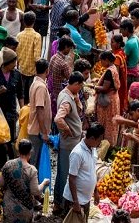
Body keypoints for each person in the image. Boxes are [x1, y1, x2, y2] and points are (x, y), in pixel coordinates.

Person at [54, 71, 84, 215]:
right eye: (80, 86)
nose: (80, 89)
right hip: (68, 143)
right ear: (76, 84)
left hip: (70, 142)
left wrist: (76, 98)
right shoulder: (66, 99)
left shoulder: (68, 94)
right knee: (65, 173)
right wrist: (67, 130)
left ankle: (59, 203)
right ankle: (60, 204)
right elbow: (58, 119)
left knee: (63, 172)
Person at [0, 140, 49, 223]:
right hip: (25, 209)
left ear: (18, 150)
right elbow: (35, 191)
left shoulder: (8, 164)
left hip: (8, 206)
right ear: (30, 152)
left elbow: (0, 183)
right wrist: (44, 183)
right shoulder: (31, 170)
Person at [0, 48, 23, 168]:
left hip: (11, 113)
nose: (15, 64)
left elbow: (20, 94)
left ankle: (12, 164)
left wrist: (22, 110)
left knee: (10, 139)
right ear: (7, 63)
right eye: (14, 62)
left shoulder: (17, 74)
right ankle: (1, 164)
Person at [63, 122, 104, 218]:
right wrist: (76, 202)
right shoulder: (77, 153)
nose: (100, 143)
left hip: (86, 199)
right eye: (99, 140)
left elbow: (92, 172)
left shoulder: (93, 149)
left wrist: (96, 192)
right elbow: (71, 178)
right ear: (92, 138)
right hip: (74, 200)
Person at [27, 59, 51, 166]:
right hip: (37, 131)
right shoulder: (40, 87)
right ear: (47, 70)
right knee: (35, 162)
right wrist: (44, 133)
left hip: (36, 130)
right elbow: (39, 110)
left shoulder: (35, 82)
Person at [94, 51, 120, 142]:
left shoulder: (109, 71)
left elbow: (105, 88)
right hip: (113, 98)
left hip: (108, 101)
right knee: (111, 123)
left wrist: (94, 86)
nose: (101, 63)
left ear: (107, 60)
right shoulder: (113, 68)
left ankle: (106, 143)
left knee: (107, 123)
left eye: (102, 61)